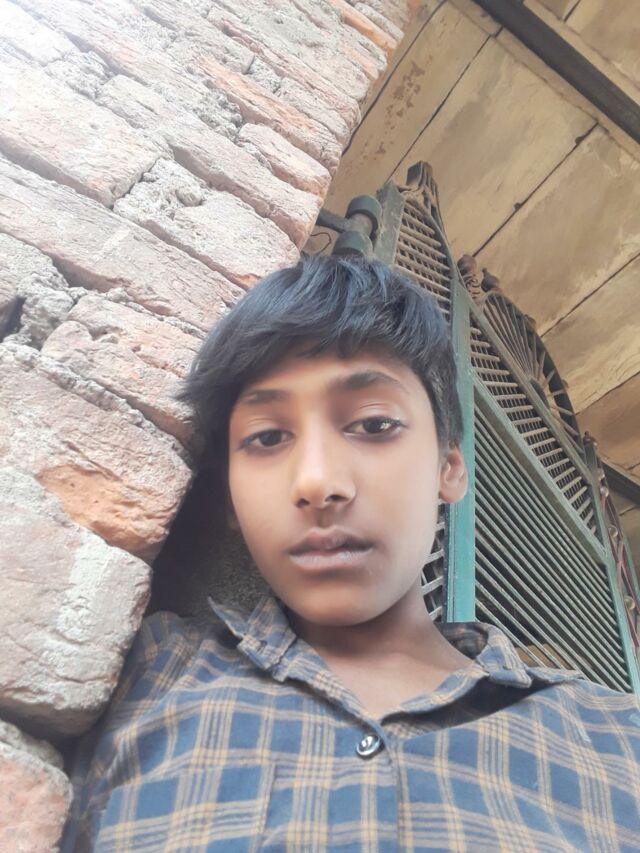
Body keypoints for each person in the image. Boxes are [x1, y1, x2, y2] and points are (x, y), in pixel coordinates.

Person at [62, 255, 640, 852]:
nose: (317, 482)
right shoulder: (140, 677)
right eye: (266, 436)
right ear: (229, 497)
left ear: (449, 467)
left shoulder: (617, 741)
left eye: (373, 424)